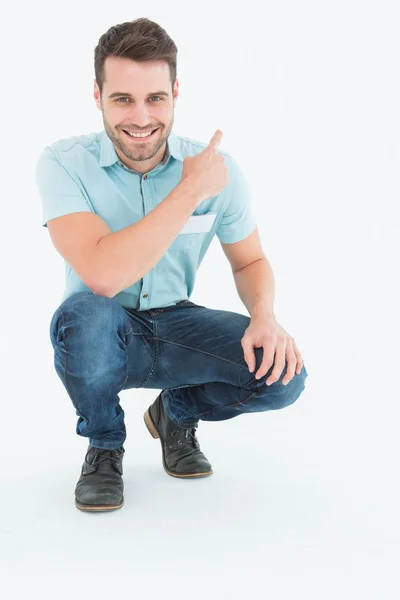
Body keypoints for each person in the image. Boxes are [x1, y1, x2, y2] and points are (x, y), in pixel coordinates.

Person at [35, 17, 308, 513]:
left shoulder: (215, 170)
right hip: (104, 329)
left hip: (179, 324)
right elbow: (102, 275)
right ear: (97, 96)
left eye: (155, 98)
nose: (141, 117)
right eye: (123, 99)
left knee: (284, 375)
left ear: (176, 93)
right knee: (86, 314)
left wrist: (265, 316)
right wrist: (187, 193)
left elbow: (250, 260)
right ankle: (104, 444)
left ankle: (176, 412)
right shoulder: (62, 163)